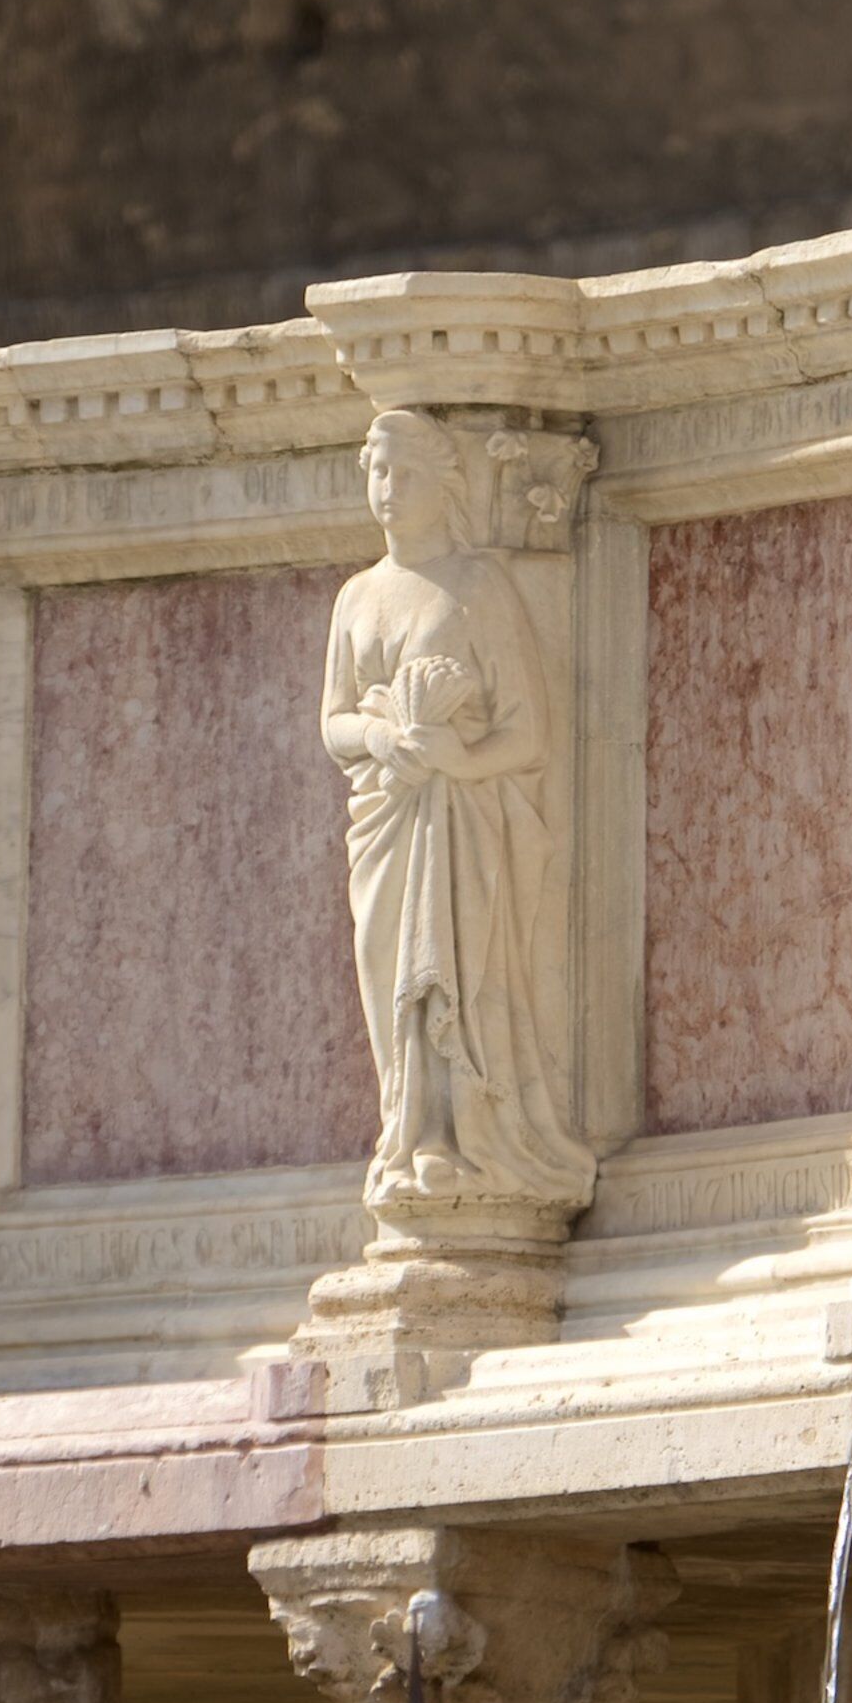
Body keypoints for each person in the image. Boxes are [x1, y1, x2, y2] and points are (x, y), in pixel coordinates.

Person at [318, 409, 590, 1212]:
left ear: (446, 485)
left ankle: (464, 1137)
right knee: (385, 977)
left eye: (406, 475)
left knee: (459, 983)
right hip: (386, 819)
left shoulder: (478, 586)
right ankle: (407, 1134)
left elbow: (529, 732)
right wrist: (380, 735)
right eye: (378, 473)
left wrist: (457, 759)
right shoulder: (356, 597)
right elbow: (332, 721)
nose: (388, 491)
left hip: (465, 825)